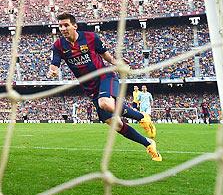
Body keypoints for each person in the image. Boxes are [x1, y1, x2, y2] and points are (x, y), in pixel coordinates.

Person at [48, 13, 161, 161]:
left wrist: (117, 63)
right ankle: (148, 144)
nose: (63, 28)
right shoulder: (58, 46)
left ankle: (141, 117)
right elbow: (54, 63)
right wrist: (53, 71)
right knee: (116, 125)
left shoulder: (90, 37)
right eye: (60, 26)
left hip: (105, 77)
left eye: (66, 25)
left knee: (105, 103)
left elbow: (105, 55)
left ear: (74, 26)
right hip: (90, 89)